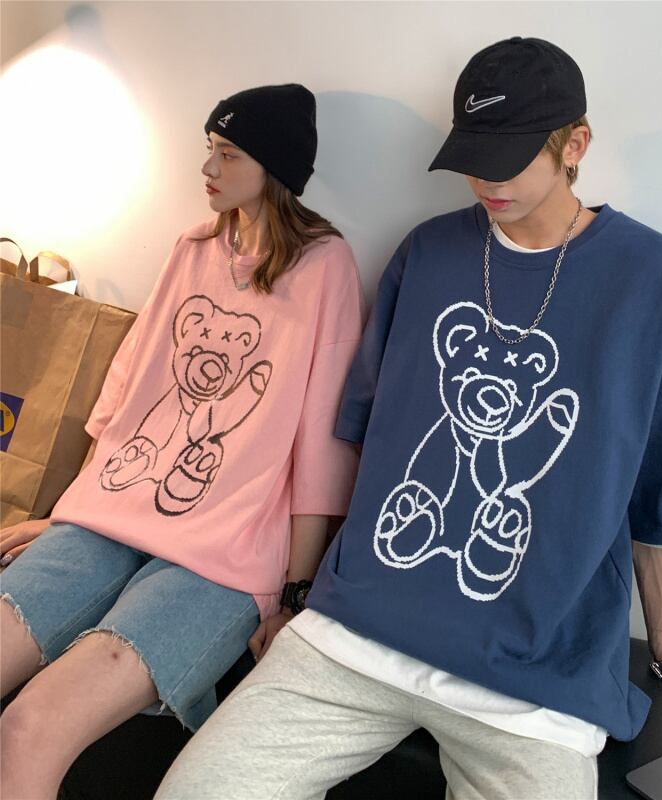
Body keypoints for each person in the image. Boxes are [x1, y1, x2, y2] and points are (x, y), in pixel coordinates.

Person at [155, 39, 662, 800]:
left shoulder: (657, 281)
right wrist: (302, 590)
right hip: (359, 635)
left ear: (575, 144)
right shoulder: (428, 253)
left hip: (534, 681)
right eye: (473, 157)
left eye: (509, 158)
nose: (487, 180)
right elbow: (365, 441)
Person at [0, 83, 365, 800]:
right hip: (110, 516)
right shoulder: (193, 247)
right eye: (209, 150)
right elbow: (130, 385)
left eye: (228, 154)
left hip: (224, 555)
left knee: (29, 727)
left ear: (275, 168)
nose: (208, 168)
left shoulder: (326, 268)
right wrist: (71, 511)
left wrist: (292, 594)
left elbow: (321, 442)